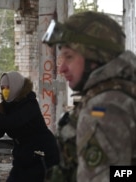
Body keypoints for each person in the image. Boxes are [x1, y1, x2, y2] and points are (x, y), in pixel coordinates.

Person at [42, 11, 136, 181]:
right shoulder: (124, 91)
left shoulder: (104, 107)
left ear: (94, 57)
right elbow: (122, 174)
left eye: (69, 57)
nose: (62, 68)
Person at [0, 71, 60, 182]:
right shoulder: (6, 106)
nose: (5, 90)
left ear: (16, 86)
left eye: (8, 87)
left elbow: (14, 121)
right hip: (23, 158)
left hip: (43, 156)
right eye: (2, 87)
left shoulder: (30, 103)